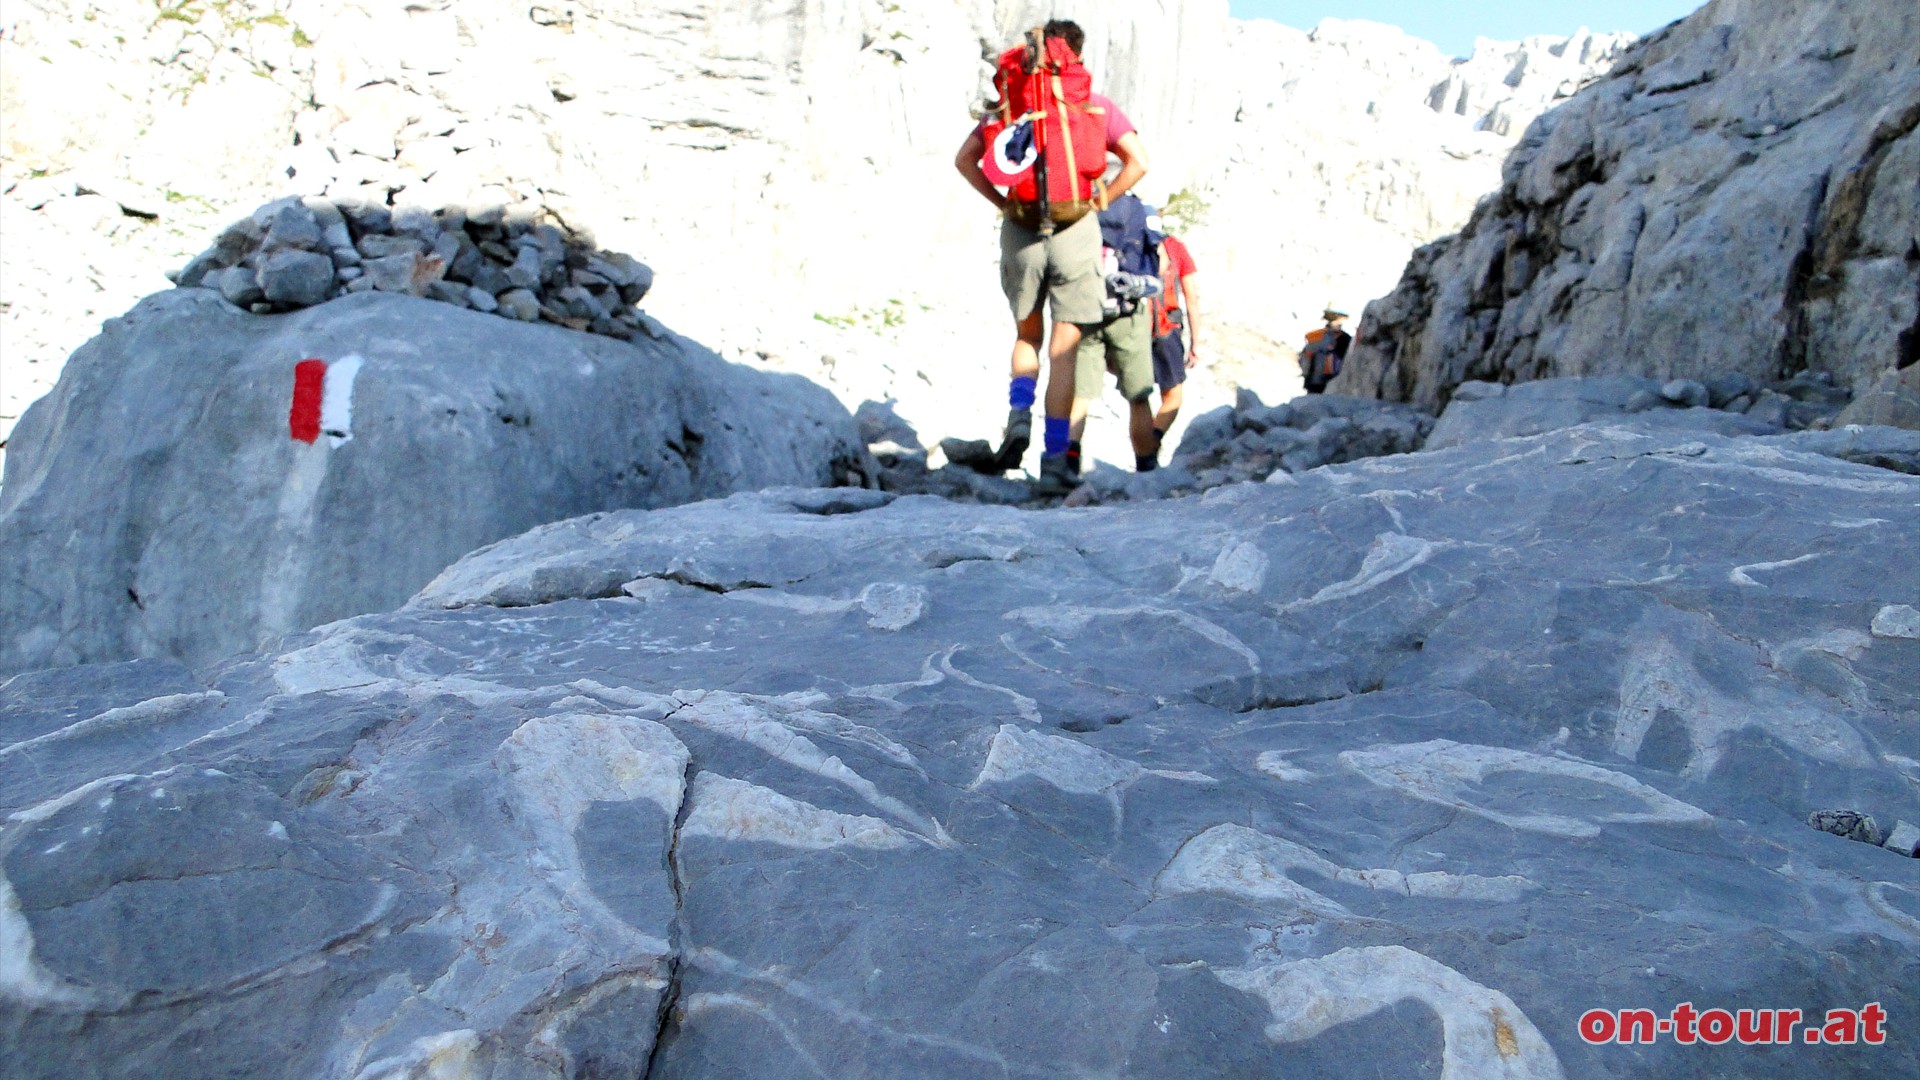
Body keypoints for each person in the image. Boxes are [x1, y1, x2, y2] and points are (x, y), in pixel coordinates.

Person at [953, 19, 1149, 487]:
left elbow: (965, 159)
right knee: (1065, 352)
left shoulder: (1014, 102)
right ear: (1076, 55)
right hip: (1075, 230)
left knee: (1027, 336)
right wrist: (1102, 198)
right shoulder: (1091, 105)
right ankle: (1056, 458)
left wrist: (1002, 202)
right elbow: (1139, 161)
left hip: (1021, 231)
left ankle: (1019, 414)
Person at [1063, 191, 1161, 481]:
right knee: (1138, 395)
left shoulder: (1082, 205)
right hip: (1128, 310)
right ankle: (1146, 467)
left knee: (1080, 393)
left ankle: (1067, 463)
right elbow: (1156, 258)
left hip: (1087, 308)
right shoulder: (1139, 208)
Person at [1145, 228, 1201, 465]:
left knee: (1138, 398)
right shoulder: (1174, 246)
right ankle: (1152, 443)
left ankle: (1144, 449)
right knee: (1173, 396)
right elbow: (1191, 296)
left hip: (1135, 329)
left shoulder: (1129, 241)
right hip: (1167, 329)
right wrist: (1195, 343)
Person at [1300, 306, 1351, 394]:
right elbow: (1305, 357)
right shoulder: (1315, 336)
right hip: (1318, 381)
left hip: (1328, 381)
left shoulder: (1344, 339)